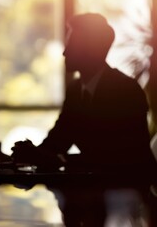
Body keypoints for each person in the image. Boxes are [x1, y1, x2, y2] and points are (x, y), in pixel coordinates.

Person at [11, 13, 156, 174]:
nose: (64, 52)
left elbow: (120, 158)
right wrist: (30, 154)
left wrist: (54, 159)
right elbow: (58, 140)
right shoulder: (75, 90)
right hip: (98, 189)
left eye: (71, 44)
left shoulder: (125, 91)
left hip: (131, 191)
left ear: (91, 49)